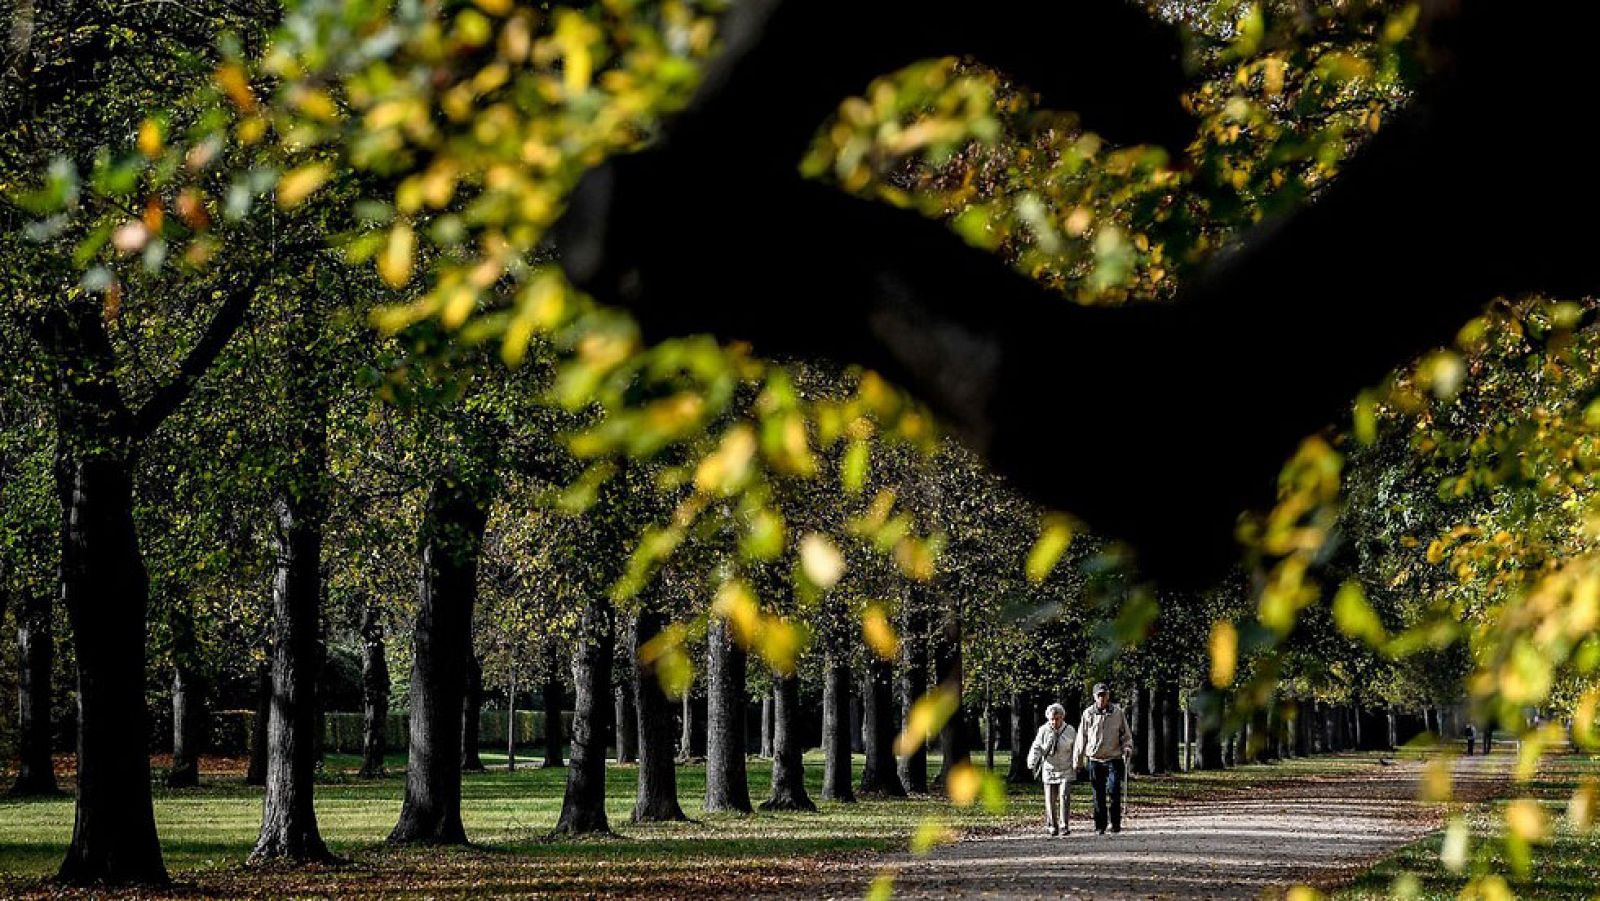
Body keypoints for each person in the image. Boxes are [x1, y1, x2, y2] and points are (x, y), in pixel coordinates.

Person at [1072, 682, 1134, 835]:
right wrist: (1078, 761)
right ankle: (1100, 825)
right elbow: (1081, 738)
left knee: (1113, 791)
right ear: (1094, 697)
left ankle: (1115, 824)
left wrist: (1127, 747)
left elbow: (1126, 735)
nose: (1102, 698)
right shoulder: (1088, 713)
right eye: (1099, 695)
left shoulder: (1117, 712)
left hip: (1113, 758)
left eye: (1104, 695)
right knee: (1097, 794)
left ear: (1108, 696)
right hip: (1095, 759)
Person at [1026, 703, 1077, 836]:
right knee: (1050, 799)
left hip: (1066, 768)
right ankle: (1052, 825)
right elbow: (1036, 746)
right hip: (1049, 768)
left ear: (1062, 717)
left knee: (1064, 796)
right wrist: (1032, 761)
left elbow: (1076, 748)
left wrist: (1078, 762)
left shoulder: (1070, 730)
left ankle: (1064, 825)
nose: (1054, 721)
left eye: (1057, 718)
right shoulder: (1043, 730)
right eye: (1052, 719)